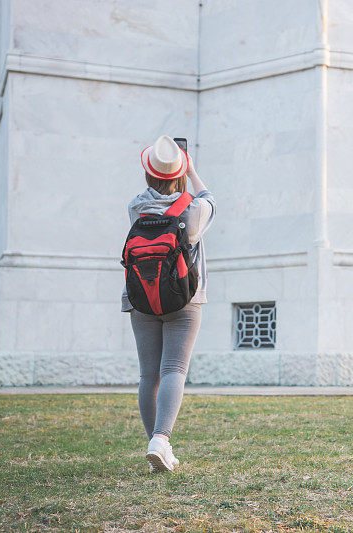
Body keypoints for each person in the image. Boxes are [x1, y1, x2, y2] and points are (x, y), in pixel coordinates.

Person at [122, 135, 216, 472]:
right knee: (173, 369)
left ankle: (156, 445)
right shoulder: (193, 210)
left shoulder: (135, 206)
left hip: (139, 301)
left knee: (149, 375)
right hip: (183, 299)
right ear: (179, 171)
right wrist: (191, 171)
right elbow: (209, 197)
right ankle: (161, 440)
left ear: (148, 173)